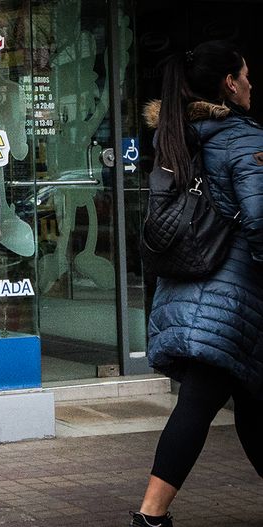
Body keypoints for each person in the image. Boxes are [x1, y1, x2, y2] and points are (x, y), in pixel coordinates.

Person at [134, 40, 263, 527]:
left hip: (191, 287)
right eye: (245, 75)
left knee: (251, 401)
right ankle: (150, 515)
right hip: (231, 297)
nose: (251, 83)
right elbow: (260, 218)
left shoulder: (179, 134)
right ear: (229, 83)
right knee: (200, 402)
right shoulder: (240, 136)